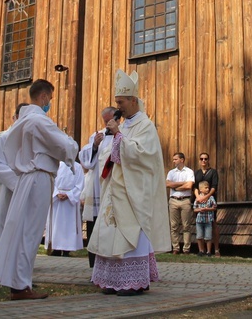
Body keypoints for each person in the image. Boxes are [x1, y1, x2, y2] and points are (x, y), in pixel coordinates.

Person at [0, 79, 78, 300]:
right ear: (44, 97)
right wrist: (72, 143)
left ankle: (18, 282)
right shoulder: (39, 121)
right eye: (50, 99)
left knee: (22, 230)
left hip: (27, 177)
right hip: (37, 176)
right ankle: (21, 286)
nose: (50, 104)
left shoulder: (22, 122)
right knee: (30, 232)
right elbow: (65, 146)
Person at [88, 69, 169, 297]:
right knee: (112, 233)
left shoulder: (145, 125)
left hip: (135, 192)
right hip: (117, 189)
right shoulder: (122, 125)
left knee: (131, 233)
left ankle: (135, 281)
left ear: (133, 100)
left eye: (121, 102)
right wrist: (112, 142)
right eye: (116, 102)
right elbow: (110, 154)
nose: (118, 107)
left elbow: (144, 155)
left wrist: (119, 139)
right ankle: (114, 281)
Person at [0, 103, 27, 270]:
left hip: (21, 188)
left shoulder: (26, 136)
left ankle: (14, 263)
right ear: (14, 117)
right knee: (1, 222)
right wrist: (16, 182)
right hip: (5, 187)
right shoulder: (4, 136)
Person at [78, 106, 119, 268]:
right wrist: (94, 146)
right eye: (106, 120)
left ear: (117, 119)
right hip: (98, 187)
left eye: (111, 119)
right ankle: (95, 265)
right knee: (95, 225)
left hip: (115, 186)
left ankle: (112, 265)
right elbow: (87, 162)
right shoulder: (98, 136)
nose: (108, 123)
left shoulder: (123, 134)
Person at [45, 160, 85, 256]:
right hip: (57, 200)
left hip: (69, 201)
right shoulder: (56, 165)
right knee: (56, 224)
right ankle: (55, 248)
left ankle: (68, 248)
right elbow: (51, 180)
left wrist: (69, 195)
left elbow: (80, 185)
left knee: (68, 225)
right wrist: (56, 193)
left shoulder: (77, 167)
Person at [166, 152, 195, 254]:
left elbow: (189, 186)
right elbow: (167, 184)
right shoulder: (171, 172)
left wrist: (175, 187)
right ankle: (175, 247)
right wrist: (183, 183)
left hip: (185, 200)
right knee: (174, 225)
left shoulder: (189, 171)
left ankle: (186, 248)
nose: (174, 161)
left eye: (175, 159)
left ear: (182, 160)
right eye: (173, 159)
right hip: (173, 200)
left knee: (186, 226)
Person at [194, 152, 220, 256]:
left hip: (210, 200)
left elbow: (214, 186)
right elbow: (194, 186)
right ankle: (201, 250)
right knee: (200, 224)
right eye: (201, 159)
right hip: (199, 201)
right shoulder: (197, 173)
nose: (203, 161)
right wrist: (198, 197)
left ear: (208, 160)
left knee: (213, 224)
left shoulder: (213, 172)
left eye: (205, 159)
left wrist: (206, 196)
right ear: (199, 160)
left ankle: (216, 249)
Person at [193, 180, 217, 256]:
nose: (208, 189)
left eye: (208, 188)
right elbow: (194, 209)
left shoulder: (211, 198)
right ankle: (201, 250)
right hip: (199, 220)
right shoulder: (198, 198)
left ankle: (209, 251)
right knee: (199, 236)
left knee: (208, 237)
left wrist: (207, 209)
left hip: (208, 219)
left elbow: (214, 207)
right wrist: (200, 209)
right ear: (201, 189)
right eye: (206, 188)